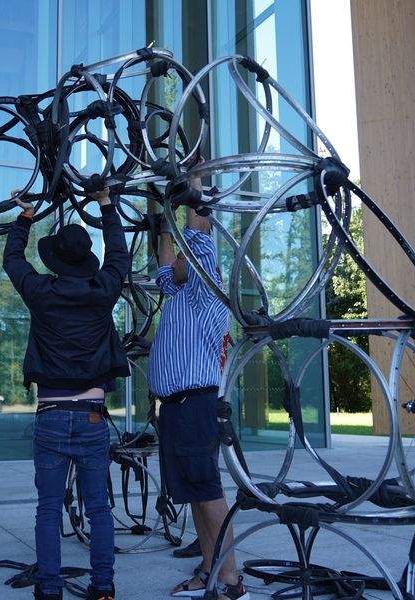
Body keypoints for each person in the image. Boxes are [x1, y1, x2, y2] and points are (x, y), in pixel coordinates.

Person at [4, 186, 129, 600]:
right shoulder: (104, 290)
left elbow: (12, 260)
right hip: (92, 415)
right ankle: (104, 588)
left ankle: (50, 590)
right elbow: (119, 255)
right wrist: (106, 205)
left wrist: (25, 217)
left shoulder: (41, 292)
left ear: (56, 259)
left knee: (47, 509)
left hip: (51, 415)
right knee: (99, 508)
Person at [148, 173, 248, 600]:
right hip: (176, 407)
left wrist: (194, 186)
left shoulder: (206, 289)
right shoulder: (178, 294)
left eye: (182, 254)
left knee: (207, 493)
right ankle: (208, 570)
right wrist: (162, 220)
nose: (176, 258)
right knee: (194, 492)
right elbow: (163, 270)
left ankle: (231, 580)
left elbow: (199, 235)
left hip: (195, 404)